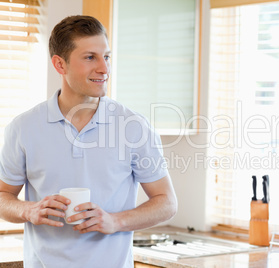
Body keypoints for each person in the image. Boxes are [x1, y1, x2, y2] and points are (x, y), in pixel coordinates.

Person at [0, 15, 177, 267]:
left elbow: (167, 202)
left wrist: (115, 221)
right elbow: (3, 195)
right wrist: (27, 210)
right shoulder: (24, 128)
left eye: (106, 57)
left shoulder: (134, 127)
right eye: (90, 57)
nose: (104, 69)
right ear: (60, 65)